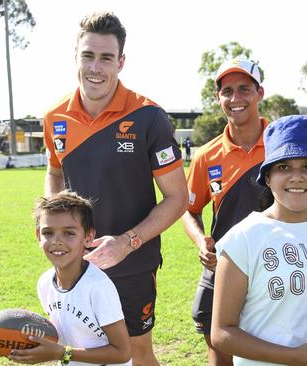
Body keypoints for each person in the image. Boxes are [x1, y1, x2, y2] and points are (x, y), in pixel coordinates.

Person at [42, 12, 188, 366]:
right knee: (82, 350)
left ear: (121, 62)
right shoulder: (55, 118)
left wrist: (126, 243)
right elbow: (54, 172)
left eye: (106, 57)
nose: (96, 67)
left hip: (133, 263)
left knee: (137, 352)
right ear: (76, 57)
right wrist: (54, 224)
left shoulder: (149, 117)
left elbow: (178, 198)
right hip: (76, 264)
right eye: (88, 56)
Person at [211, 115, 307, 366]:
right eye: (284, 167)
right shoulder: (243, 239)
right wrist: (293, 357)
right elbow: (221, 334)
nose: (297, 177)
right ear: (268, 177)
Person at [182, 58, 268, 366]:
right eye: (227, 91)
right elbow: (188, 209)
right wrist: (199, 240)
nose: (235, 99)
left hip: (274, 266)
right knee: (214, 334)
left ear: (260, 92)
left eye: (244, 89)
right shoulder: (207, 155)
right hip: (224, 265)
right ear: (218, 98)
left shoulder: (281, 144)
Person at [10, 191, 132, 365]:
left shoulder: (98, 287)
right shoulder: (45, 283)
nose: (56, 241)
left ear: (88, 237)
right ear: (38, 236)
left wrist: (62, 354)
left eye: (68, 233)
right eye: (48, 232)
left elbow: (122, 353)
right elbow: (63, 334)